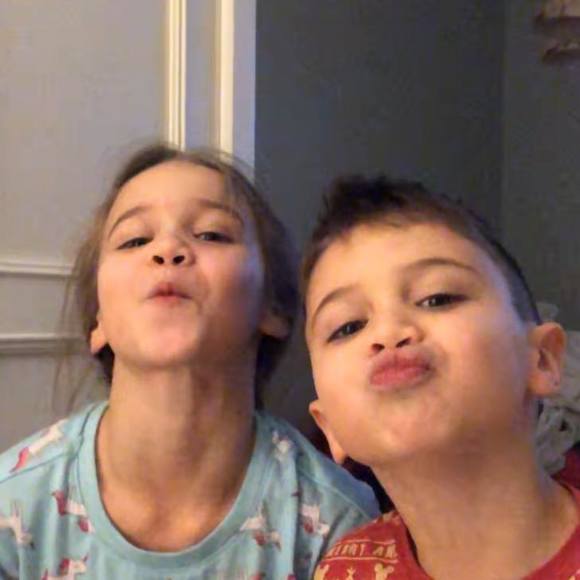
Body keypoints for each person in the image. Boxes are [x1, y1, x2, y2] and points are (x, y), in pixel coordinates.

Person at [0, 145, 379, 579]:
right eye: (135, 240)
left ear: (272, 306)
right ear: (98, 319)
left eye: (211, 234)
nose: (167, 249)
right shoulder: (12, 509)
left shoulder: (339, 525)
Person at [302, 175, 580, 579]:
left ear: (542, 360)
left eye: (436, 298)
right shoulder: (343, 571)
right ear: (329, 425)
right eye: (348, 326)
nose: (388, 332)